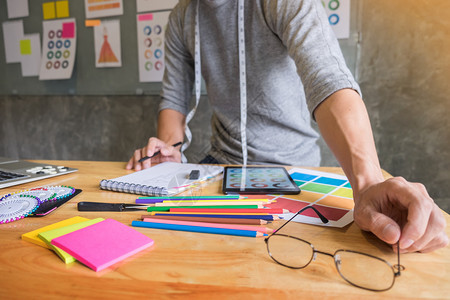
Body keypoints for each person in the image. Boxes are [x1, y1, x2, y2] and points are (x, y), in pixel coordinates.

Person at [126, 0, 448, 253]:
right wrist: (170, 151)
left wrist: (367, 184)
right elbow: (174, 101)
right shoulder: (183, 17)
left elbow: (328, 81)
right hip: (222, 164)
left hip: (293, 166)